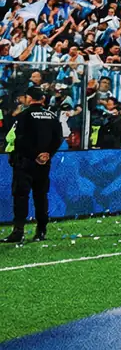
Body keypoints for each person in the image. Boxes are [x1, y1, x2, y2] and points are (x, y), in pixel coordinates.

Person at [6, 86, 60, 243]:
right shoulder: (51, 116)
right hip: (44, 163)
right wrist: (47, 154)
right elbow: (57, 139)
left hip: (25, 162)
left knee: (21, 196)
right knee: (41, 196)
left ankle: (18, 231)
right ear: (42, 99)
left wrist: (34, 155)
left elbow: (20, 140)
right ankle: (41, 230)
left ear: (29, 98)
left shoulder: (24, 116)